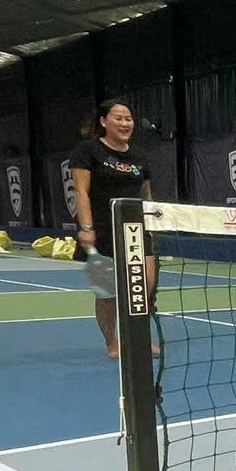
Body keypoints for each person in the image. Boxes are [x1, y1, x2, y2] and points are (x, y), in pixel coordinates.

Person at [70, 99, 157, 358]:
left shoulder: (139, 157)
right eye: (118, 118)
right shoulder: (88, 150)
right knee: (107, 294)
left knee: (144, 286)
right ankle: (112, 343)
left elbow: (146, 195)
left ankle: (137, 339)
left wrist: (152, 222)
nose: (125, 123)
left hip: (136, 230)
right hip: (103, 229)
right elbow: (81, 192)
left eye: (128, 118)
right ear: (103, 121)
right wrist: (86, 227)